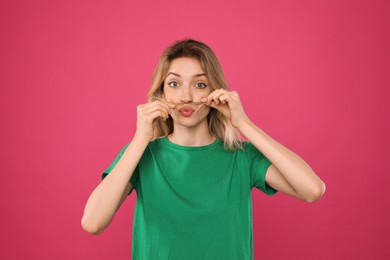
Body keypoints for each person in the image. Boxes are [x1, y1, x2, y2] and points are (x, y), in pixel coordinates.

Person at [82, 38, 326, 259]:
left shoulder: (242, 157)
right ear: (161, 92)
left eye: (199, 84)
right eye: (174, 83)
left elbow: (312, 189)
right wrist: (140, 138)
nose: (186, 96)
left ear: (215, 93)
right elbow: (92, 223)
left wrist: (243, 123)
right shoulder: (140, 154)